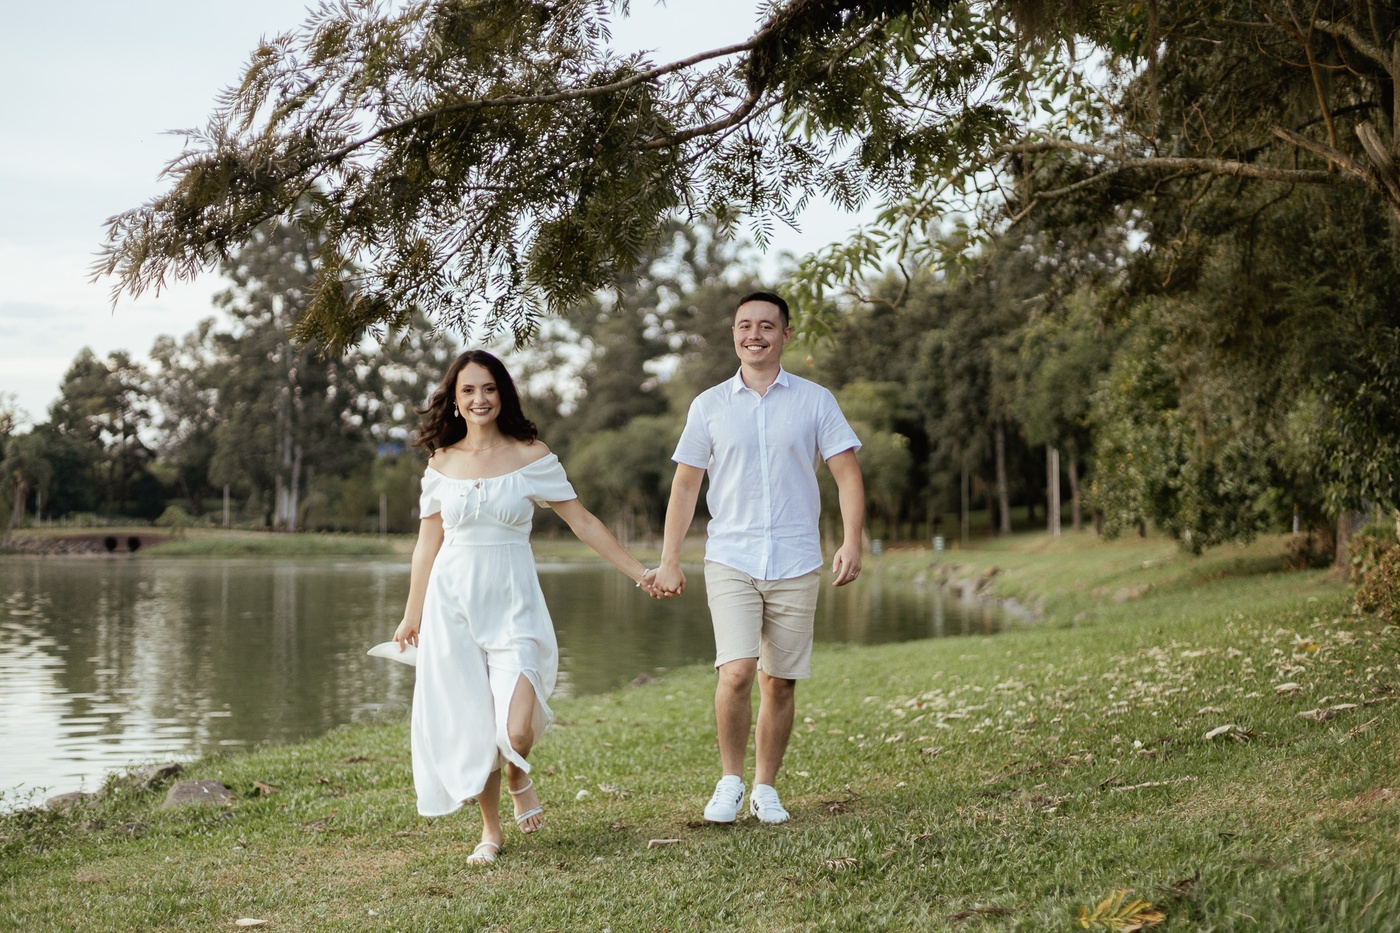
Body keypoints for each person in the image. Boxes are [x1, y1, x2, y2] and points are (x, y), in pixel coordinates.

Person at [393, 349, 658, 866]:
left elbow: (583, 522)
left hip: (513, 604)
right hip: (452, 606)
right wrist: (411, 613)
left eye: (489, 388)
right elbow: (427, 544)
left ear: (503, 394)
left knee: (514, 729)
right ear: (454, 400)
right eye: (468, 390)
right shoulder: (441, 463)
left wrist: (639, 572)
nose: (480, 399)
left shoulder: (531, 456)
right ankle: (490, 831)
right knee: (475, 721)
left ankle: (517, 770)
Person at [651, 291, 865, 825]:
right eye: (745, 325)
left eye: (767, 326)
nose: (755, 334)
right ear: (734, 335)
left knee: (780, 681)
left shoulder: (816, 401)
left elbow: (846, 474)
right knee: (737, 671)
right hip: (731, 556)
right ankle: (730, 780)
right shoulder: (709, 406)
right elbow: (685, 486)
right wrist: (670, 558)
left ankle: (765, 788)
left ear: (785, 335)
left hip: (796, 557)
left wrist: (852, 541)